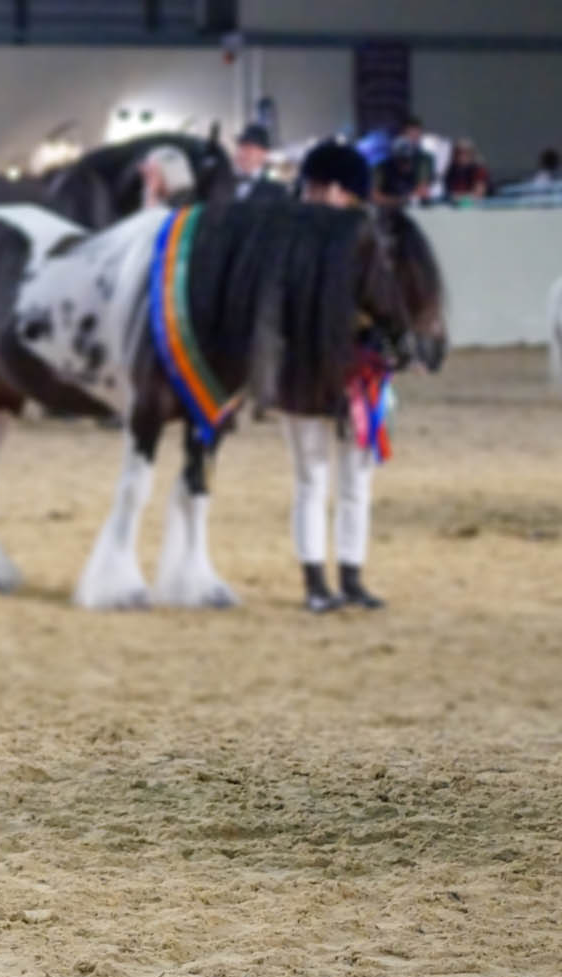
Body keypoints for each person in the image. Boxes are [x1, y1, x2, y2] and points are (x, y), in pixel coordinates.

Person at [285, 140, 382, 612]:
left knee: (355, 480)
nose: (315, 195)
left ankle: (351, 573)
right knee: (311, 477)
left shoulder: (368, 242)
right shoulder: (290, 240)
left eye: (322, 187)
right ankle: (314, 580)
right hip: (304, 373)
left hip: (357, 371)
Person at [233, 123, 287, 203]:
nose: (242, 153)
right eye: (241, 147)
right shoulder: (224, 181)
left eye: (249, 149)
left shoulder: (276, 189)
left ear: (264, 154)